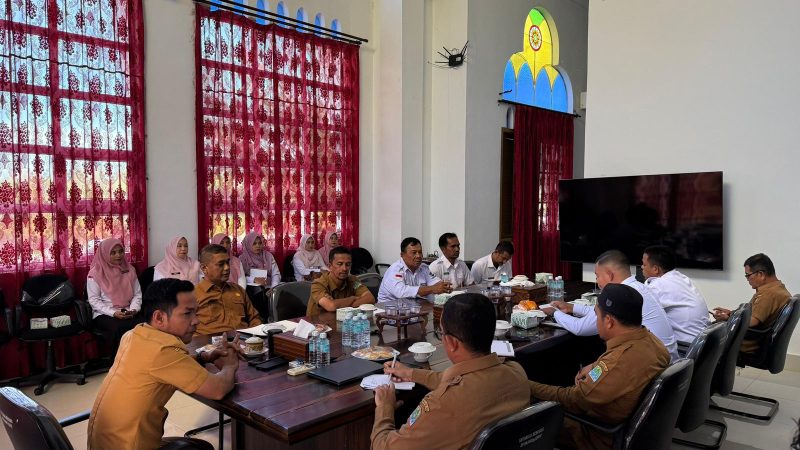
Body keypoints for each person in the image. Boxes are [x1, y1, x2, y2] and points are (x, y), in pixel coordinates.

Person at [87, 279, 240, 450]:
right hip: (129, 445)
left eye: (196, 313)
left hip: (107, 442)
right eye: (187, 313)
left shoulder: (134, 334)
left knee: (199, 446)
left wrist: (204, 357)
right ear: (159, 317)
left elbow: (169, 364)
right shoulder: (162, 350)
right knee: (200, 448)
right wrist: (230, 365)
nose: (196, 321)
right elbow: (218, 390)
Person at [372, 293, 530, 449]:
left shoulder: (441, 405)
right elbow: (466, 380)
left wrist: (385, 408)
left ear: (452, 342)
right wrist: (411, 374)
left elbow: (383, 447)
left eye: (441, 333)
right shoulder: (516, 373)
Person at [530, 283, 670, 450]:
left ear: (609, 321)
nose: (596, 321)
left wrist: (526, 385)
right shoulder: (653, 342)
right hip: (635, 431)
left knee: (527, 422)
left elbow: (572, 399)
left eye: (597, 315)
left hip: (597, 435)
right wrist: (597, 365)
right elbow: (613, 369)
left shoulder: (618, 363)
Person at [547, 250, 679, 361]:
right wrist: (571, 307)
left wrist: (554, 312)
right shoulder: (637, 287)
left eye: (597, 276)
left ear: (610, 275)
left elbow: (580, 328)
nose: (597, 281)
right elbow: (600, 313)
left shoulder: (619, 295)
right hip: (668, 363)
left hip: (651, 365)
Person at [712, 253, 792, 354]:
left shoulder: (769, 294)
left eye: (748, 275)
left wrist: (727, 319)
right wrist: (730, 313)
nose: (747, 279)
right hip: (752, 339)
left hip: (745, 343)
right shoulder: (777, 288)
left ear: (761, 274)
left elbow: (752, 322)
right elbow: (753, 314)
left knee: (703, 337)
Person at [641, 245, 709, 343]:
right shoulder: (682, 278)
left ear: (655, 269)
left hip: (685, 349)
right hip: (702, 345)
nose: (642, 267)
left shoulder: (658, 285)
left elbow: (636, 313)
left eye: (644, 264)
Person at [87, 238, 143, 356]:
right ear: (105, 254)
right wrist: (113, 313)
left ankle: (141, 362)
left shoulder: (130, 270)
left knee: (145, 324)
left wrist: (134, 309)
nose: (118, 255)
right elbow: (94, 301)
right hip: (104, 313)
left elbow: (137, 294)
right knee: (118, 328)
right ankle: (118, 365)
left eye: (121, 251)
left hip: (128, 310)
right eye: (113, 253)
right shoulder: (95, 273)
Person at [194, 244, 262, 335]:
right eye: (221, 264)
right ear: (204, 268)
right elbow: (186, 331)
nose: (227, 268)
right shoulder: (193, 295)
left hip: (242, 342)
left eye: (228, 262)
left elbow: (254, 318)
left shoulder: (238, 290)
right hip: (210, 345)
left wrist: (254, 338)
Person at [377, 237, 452, 302]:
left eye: (420, 252)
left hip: (411, 309)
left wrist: (443, 287)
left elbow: (436, 284)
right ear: (402, 255)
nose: (418, 256)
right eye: (414, 253)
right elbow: (401, 292)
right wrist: (432, 289)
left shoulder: (424, 268)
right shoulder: (395, 270)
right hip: (387, 311)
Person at [306, 246, 375, 316]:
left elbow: (370, 298)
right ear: (330, 266)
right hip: (318, 324)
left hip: (342, 320)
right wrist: (352, 298)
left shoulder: (353, 281)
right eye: (340, 264)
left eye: (348, 264)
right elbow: (331, 306)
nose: (344, 268)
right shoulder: (318, 284)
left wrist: (341, 306)